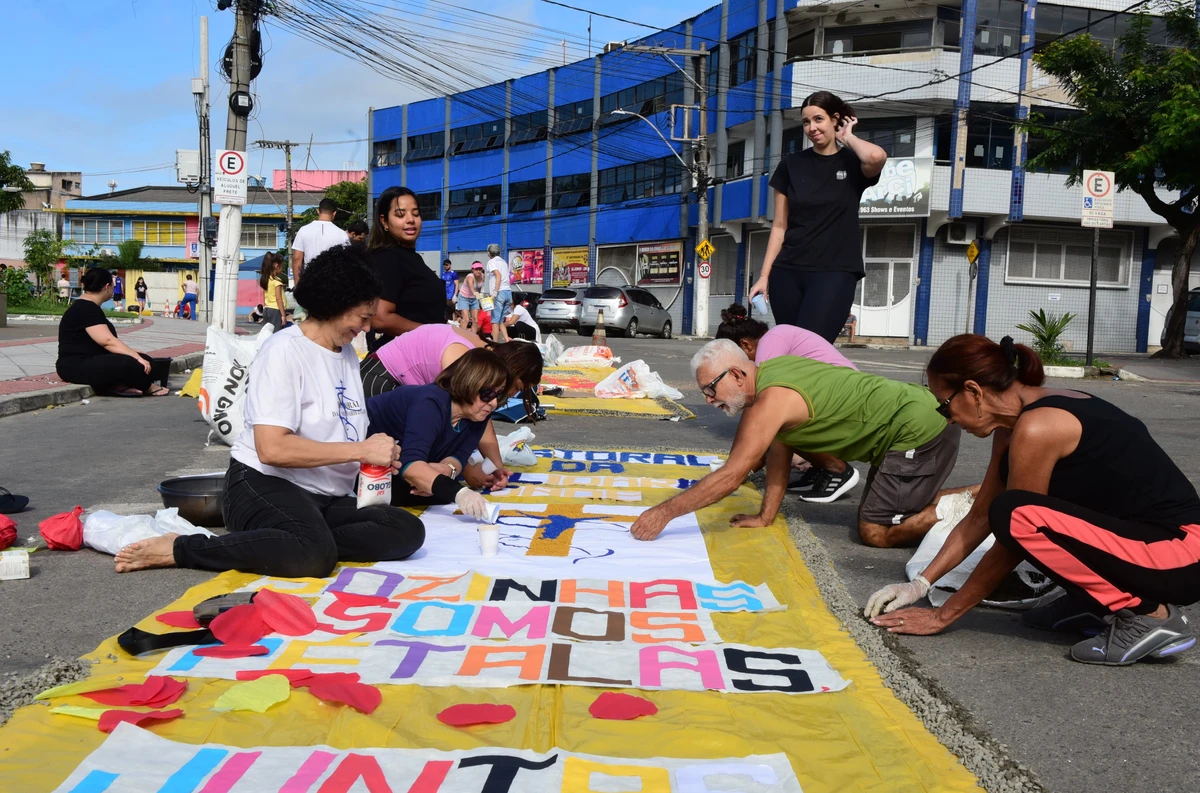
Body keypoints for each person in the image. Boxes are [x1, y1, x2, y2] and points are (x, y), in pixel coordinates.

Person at [865, 334, 1200, 665]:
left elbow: (1017, 532)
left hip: (1180, 553)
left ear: (972, 391)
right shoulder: (1013, 425)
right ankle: (1094, 601)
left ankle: (1145, 615)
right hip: (1136, 542)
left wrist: (943, 617)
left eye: (944, 404)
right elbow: (980, 517)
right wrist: (922, 585)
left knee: (1017, 515)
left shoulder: (1039, 427)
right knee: (1013, 514)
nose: (947, 417)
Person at [114, 246, 425, 578]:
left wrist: (374, 449)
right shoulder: (284, 351)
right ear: (335, 304)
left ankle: (286, 542)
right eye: (362, 318)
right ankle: (183, 548)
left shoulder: (345, 353)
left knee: (405, 530)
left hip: (325, 497)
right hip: (264, 484)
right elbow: (272, 448)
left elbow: (339, 427)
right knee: (313, 555)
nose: (365, 328)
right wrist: (361, 449)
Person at [628, 339, 964, 549]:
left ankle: (974, 504)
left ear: (737, 375)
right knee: (885, 514)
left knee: (875, 532)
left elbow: (731, 476)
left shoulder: (770, 401)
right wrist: (766, 516)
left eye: (711, 389)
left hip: (921, 428)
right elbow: (779, 449)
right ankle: (967, 500)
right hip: (906, 424)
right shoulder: (772, 372)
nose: (709, 399)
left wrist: (663, 513)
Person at [748, 91, 887, 342]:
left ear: (835, 120)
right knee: (790, 350)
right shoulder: (791, 164)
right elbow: (779, 226)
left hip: (836, 273)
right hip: (788, 272)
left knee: (813, 350)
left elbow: (876, 157)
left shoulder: (853, 163)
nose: (811, 128)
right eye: (806, 122)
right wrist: (764, 277)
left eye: (818, 119)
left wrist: (848, 137)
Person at [360, 323, 545, 487]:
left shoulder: (482, 363)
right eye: (517, 388)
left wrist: (496, 468)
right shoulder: (465, 362)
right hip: (381, 376)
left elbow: (474, 425)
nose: (511, 395)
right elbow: (466, 416)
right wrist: (464, 475)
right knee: (393, 461)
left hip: (404, 385)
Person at [715, 303, 860, 502]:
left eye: (733, 361)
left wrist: (733, 469)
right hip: (838, 399)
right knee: (776, 417)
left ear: (746, 345)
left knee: (776, 421)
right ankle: (821, 467)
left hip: (848, 403)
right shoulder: (774, 338)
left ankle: (838, 470)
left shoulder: (769, 344)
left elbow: (757, 410)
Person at [366, 347, 507, 514]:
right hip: (356, 460)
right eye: (488, 394)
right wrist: (458, 493)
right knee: (437, 491)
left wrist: (448, 469)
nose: (494, 403)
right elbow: (410, 464)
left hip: (389, 465)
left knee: (437, 490)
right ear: (469, 382)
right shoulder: (430, 403)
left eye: (499, 395)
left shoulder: (477, 415)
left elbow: (460, 456)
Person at [56, 268, 170, 398]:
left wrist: (133, 353)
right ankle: (147, 387)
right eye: (113, 285)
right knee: (132, 364)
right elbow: (107, 341)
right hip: (74, 366)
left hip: (93, 359)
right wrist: (135, 356)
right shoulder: (86, 308)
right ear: (107, 287)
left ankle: (116, 385)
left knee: (147, 361)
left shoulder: (89, 307)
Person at [366, 186, 445, 352]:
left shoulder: (412, 258)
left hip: (425, 353)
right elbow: (380, 318)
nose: (411, 220)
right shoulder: (387, 257)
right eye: (400, 215)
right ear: (384, 221)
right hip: (406, 360)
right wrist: (435, 334)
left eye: (415, 214)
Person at [292, 198, 350, 283]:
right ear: (334, 213)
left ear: (318, 211)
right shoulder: (342, 234)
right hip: (333, 283)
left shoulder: (303, 230)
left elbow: (297, 258)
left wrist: (297, 285)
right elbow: (346, 262)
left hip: (310, 282)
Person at [484, 243, 512, 343]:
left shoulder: (491, 262)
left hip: (499, 292)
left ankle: (495, 344)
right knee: (501, 321)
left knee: (495, 322)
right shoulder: (504, 262)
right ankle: (508, 341)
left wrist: (495, 292)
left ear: (489, 252)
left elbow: (498, 275)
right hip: (508, 292)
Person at [260, 251, 288, 330]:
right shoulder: (277, 281)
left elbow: (264, 295)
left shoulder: (266, 279)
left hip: (267, 309)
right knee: (276, 334)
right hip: (276, 311)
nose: (282, 269)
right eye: (281, 266)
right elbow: (279, 299)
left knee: (267, 334)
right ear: (277, 266)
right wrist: (283, 315)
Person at [457, 262, 483, 328]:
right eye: (476, 269)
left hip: (474, 298)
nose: (478, 271)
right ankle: (461, 337)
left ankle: (472, 336)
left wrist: (480, 296)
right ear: (472, 269)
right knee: (466, 320)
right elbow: (471, 287)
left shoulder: (482, 276)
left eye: (480, 269)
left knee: (476, 320)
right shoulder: (470, 277)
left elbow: (479, 287)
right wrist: (475, 293)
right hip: (464, 298)